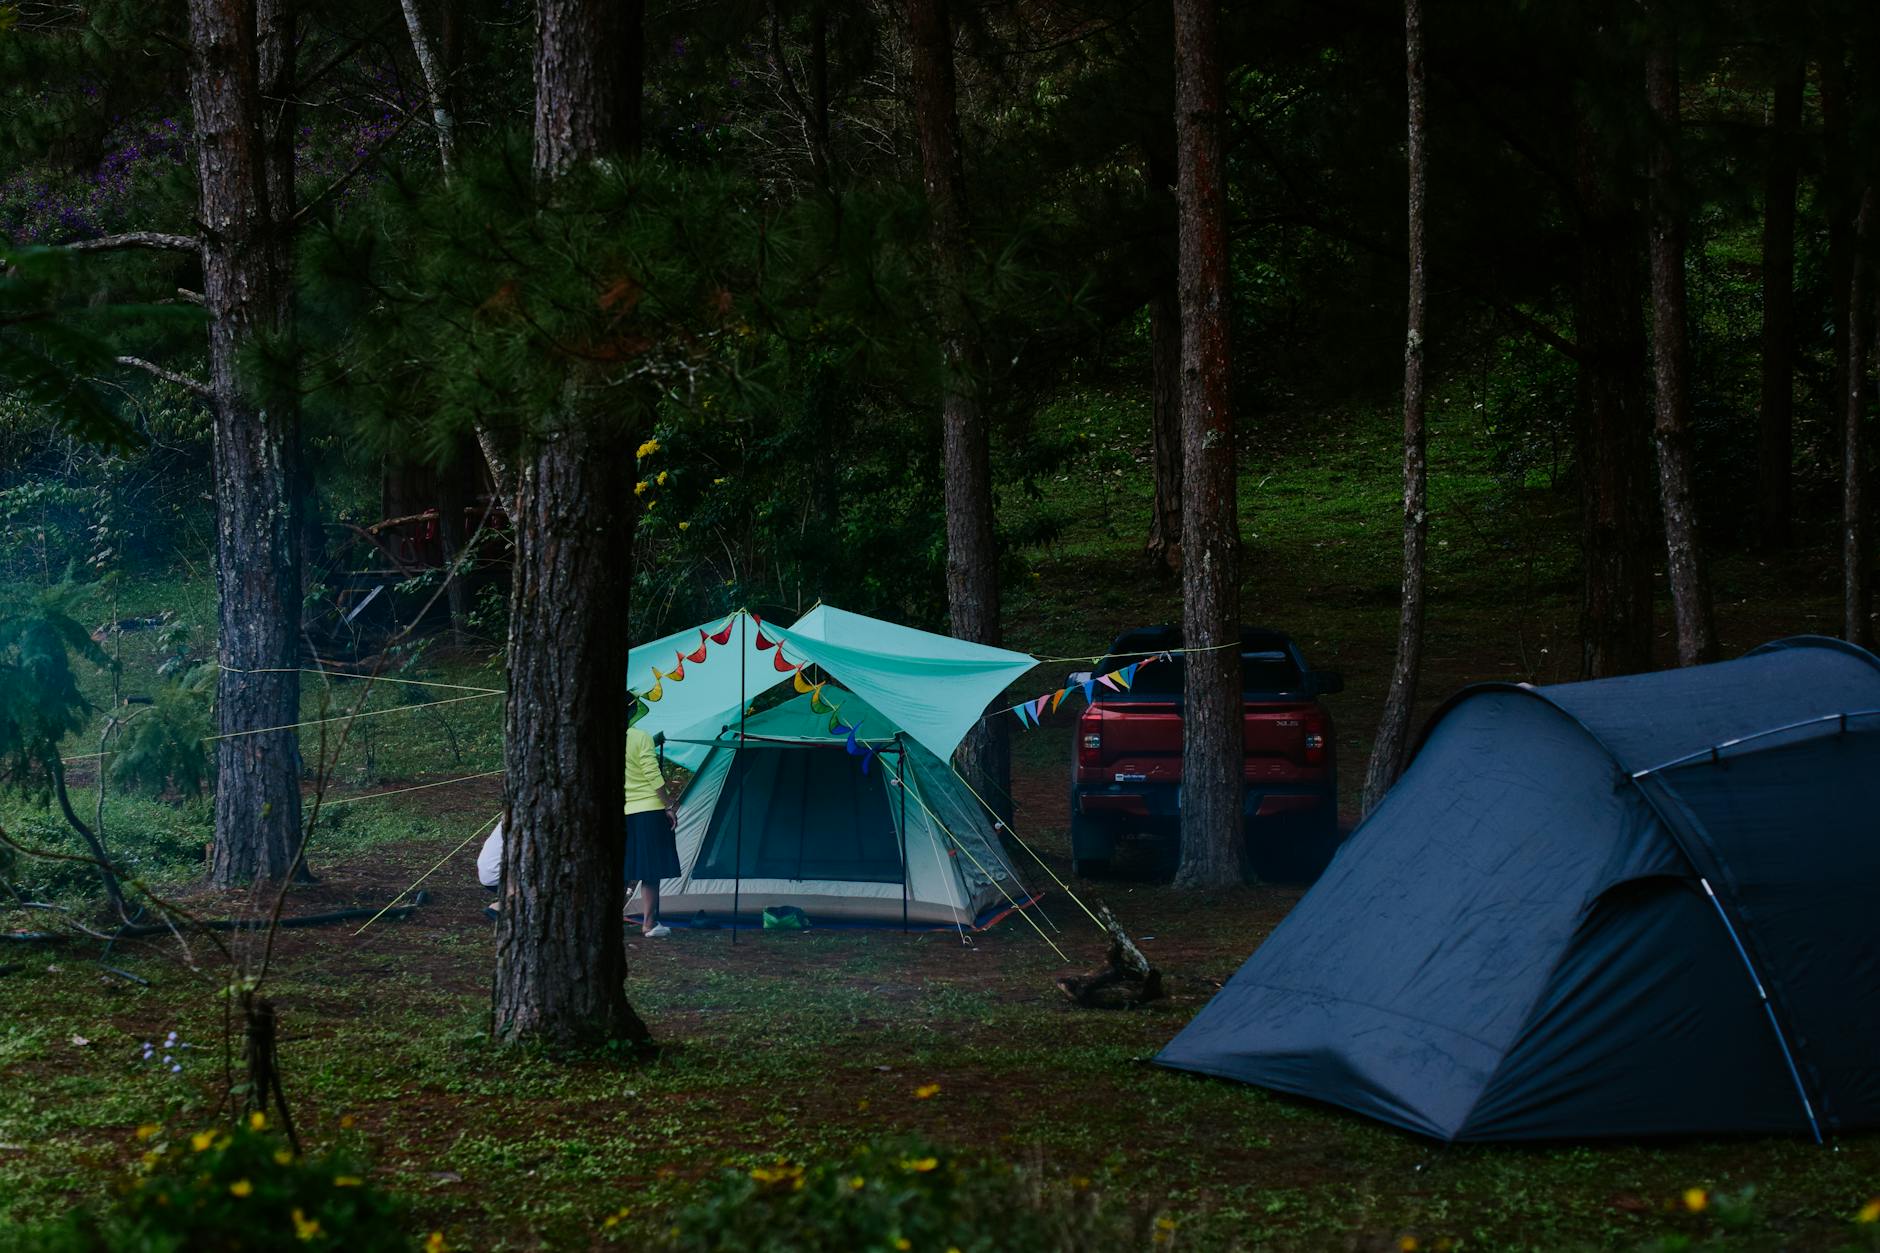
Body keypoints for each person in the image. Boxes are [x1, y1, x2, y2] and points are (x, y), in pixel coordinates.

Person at [623, 721, 681, 938]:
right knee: (650, 871)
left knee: (622, 868)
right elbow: (651, 772)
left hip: (622, 811)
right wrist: (668, 804)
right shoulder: (640, 736)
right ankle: (649, 924)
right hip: (649, 809)